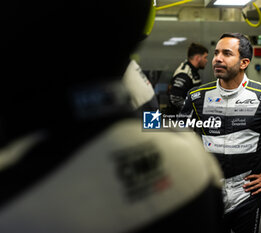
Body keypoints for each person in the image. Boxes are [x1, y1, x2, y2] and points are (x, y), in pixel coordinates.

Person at [0, 1, 224, 232]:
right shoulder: (193, 155)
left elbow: (149, 117)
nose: (210, 61)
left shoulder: (15, 198)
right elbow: (156, 115)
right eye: (209, 56)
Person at [180, 33, 261, 233]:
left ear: (244, 62)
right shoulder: (197, 96)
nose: (217, 58)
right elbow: (175, 131)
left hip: (246, 193)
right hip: (208, 192)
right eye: (216, 53)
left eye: (226, 53)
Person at [168, 42, 209, 114]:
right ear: (197, 58)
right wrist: (193, 110)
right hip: (179, 119)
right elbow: (175, 98)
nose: (206, 60)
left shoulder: (193, 71)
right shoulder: (184, 73)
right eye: (205, 57)